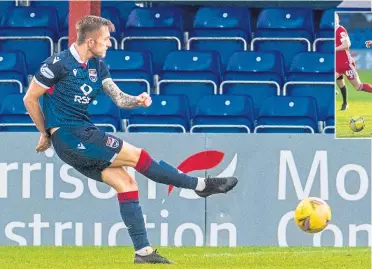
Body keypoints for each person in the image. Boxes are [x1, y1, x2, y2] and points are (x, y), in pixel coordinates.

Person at [23, 15, 238, 264]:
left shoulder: (97, 67)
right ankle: (200, 185)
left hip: (79, 137)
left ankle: (143, 252)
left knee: (126, 183)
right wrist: (45, 132)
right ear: (90, 41)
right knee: (138, 156)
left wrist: (136, 100)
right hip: (72, 134)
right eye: (106, 40)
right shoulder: (57, 64)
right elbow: (30, 98)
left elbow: (118, 99)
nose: (109, 44)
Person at [335, 13, 372, 111]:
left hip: (346, 64)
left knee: (358, 87)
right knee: (334, 81)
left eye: (335, 18)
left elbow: (347, 44)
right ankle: (344, 103)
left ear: (338, 20)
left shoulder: (340, 30)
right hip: (336, 65)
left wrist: (334, 49)